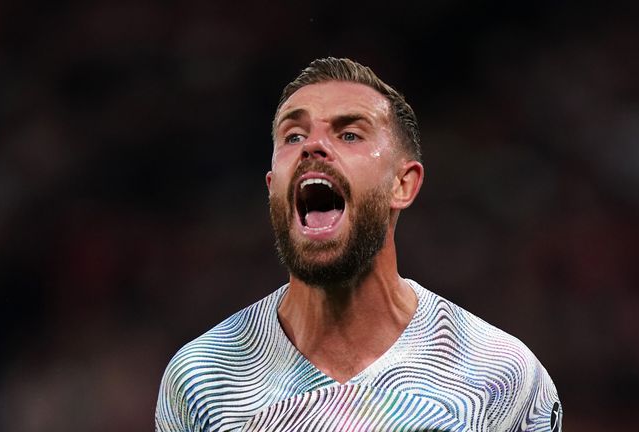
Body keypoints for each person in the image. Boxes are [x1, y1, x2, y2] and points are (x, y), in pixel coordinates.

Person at [155, 57, 562, 432]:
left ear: (402, 184)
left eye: (349, 134)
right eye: (294, 135)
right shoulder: (203, 379)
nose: (313, 146)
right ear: (271, 187)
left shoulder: (498, 375)